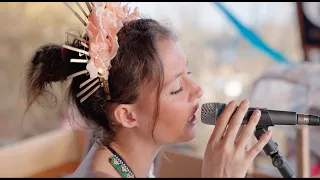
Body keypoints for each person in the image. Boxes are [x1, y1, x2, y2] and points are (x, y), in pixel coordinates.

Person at [23, 2, 272, 178]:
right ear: (128, 115)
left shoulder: (129, 165)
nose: (197, 90)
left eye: (189, 74)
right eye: (176, 88)